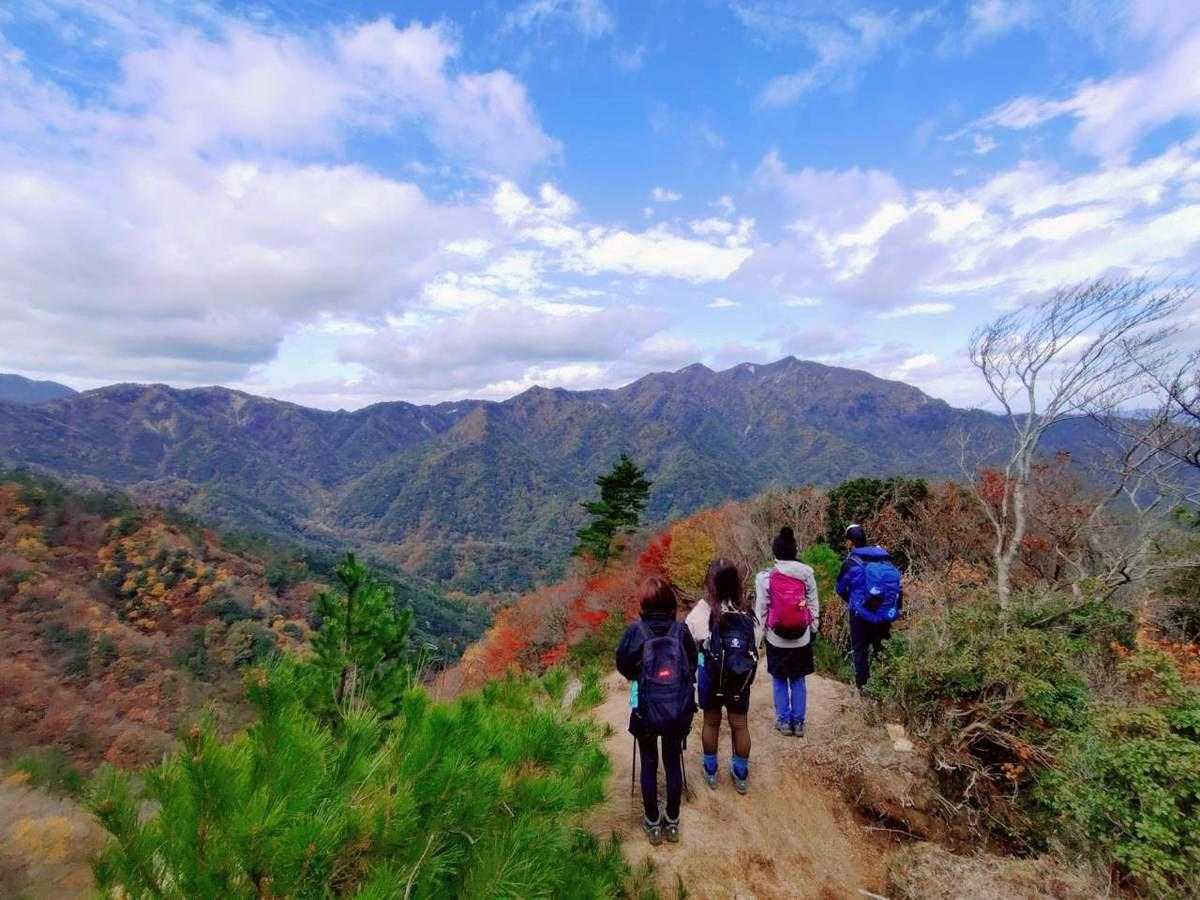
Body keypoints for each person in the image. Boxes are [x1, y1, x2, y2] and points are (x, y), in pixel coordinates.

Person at [615, 575, 698, 846]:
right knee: (672, 761)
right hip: (676, 710)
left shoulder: (635, 632)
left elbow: (623, 665)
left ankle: (652, 822)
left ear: (644, 603)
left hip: (646, 710)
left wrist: (640, 677)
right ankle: (672, 821)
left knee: (649, 763)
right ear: (670, 602)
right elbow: (692, 666)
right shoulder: (681, 631)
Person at [685, 559, 757, 794]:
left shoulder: (702, 611)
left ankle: (711, 769)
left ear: (710, 583)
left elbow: (688, 639)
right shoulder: (746, 612)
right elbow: (755, 645)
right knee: (740, 725)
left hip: (711, 677)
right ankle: (741, 773)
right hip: (739, 678)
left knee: (711, 722)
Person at [754, 527, 819, 737]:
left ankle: (783, 720)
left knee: (780, 679)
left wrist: (758, 637)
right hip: (802, 636)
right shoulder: (807, 573)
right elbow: (813, 603)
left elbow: (761, 608)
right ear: (794, 550)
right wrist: (813, 627)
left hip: (776, 638)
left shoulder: (765, 577)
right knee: (798, 679)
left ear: (775, 551)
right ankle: (798, 723)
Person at [836, 524, 903, 691]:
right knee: (882, 648)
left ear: (850, 542)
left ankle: (863, 689)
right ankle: (887, 686)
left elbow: (840, 588)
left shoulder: (850, 563)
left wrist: (852, 601)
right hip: (884, 613)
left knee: (860, 650)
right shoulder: (885, 558)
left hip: (860, 614)